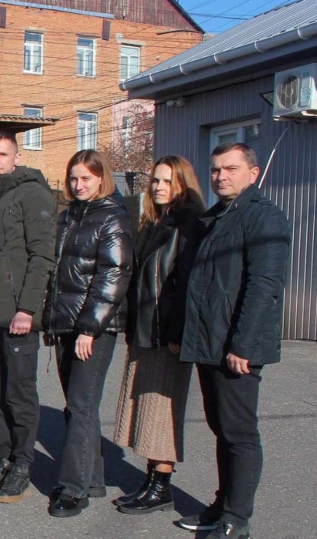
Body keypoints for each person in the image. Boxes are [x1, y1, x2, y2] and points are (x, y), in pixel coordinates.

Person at [177, 143, 290, 539]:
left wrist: (242, 345)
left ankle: (236, 519)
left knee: (239, 433)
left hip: (236, 347)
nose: (221, 176)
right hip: (210, 342)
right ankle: (222, 504)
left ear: (253, 173)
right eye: (215, 170)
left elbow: (264, 286)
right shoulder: (218, 217)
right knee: (221, 428)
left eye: (231, 169)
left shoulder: (264, 218)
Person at [0, 131, 57, 504]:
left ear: (16, 157)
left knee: (19, 395)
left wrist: (28, 309)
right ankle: (3, 456)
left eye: (2, 154)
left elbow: (43, 257)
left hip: (16, 316)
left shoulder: (32, 193)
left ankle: (22, 462)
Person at [111, 156, 205, 516]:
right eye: (156, 181)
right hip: (146, 331)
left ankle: (161, 485)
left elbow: (187, 285)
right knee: (146, 408)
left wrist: (178, 332)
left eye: (168, 181)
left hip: (167, 334)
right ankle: (152, 479)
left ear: (183, 184)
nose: (160, 187)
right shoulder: (153, 222)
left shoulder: (189, 223)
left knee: (162, 409)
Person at [43, 150, 134, 518]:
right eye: (74, 178)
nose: (79, 185)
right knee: (81, 406)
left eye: (86, 178)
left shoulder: (112, 218)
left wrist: (89, 329)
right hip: (66, 323)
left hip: (93, 329)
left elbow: (113, 276)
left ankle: (73, 488)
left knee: (80, 406)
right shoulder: (68, 217)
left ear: (102, 179)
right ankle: (93, 478)